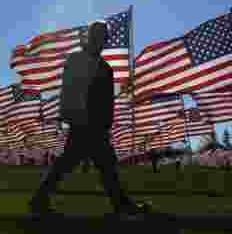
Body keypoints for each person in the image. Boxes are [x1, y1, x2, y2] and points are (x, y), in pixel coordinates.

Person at [28, 21, 148, 219]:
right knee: (73, 163)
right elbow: (68, 89)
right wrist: (68, 114)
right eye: (98, 36)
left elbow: (107, 99)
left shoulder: (105, 68)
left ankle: (120, 204)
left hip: (98, 125)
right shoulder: (76, 59)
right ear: (91, 37)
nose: (101, 41)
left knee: (102, 165)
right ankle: (120, 204)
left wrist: (107, 121)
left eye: (104, 37)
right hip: (82, 122)